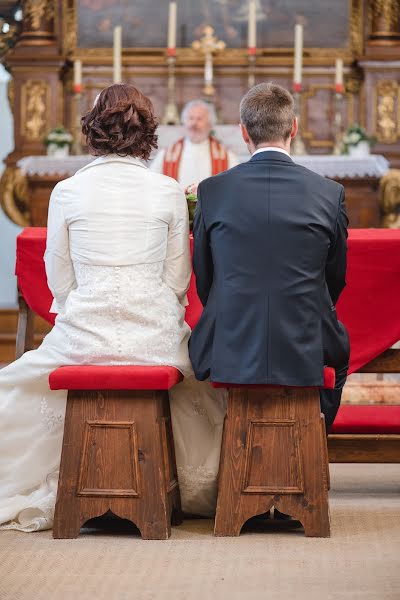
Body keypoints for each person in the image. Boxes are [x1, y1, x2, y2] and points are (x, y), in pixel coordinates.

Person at [0, 84, 194, 532]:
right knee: (201, 382)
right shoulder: (166, 190)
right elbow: (177, 275)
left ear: (93, 130)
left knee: (17, 383)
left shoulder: (67, 191)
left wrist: (81, 310)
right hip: (154, 332)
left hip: (84, 329)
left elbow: (58, 272)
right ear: (147, 131)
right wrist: (157, 310)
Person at [189, 82, 350, 434]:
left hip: (229, 338)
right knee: (338, 358)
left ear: (243, 133)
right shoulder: (329, 192)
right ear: (293, 127)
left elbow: (204, 275)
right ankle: (311, 438)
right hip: (306, 339)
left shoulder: (212, 190)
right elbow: (335, 276)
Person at [150, 100, 239, 189]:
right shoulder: (167, 155)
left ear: (210, 124)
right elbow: (153, 183)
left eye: (199, 119)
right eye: (190, 118)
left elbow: (235, 185)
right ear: (184, 122)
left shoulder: (226, 156)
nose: (194, 124)